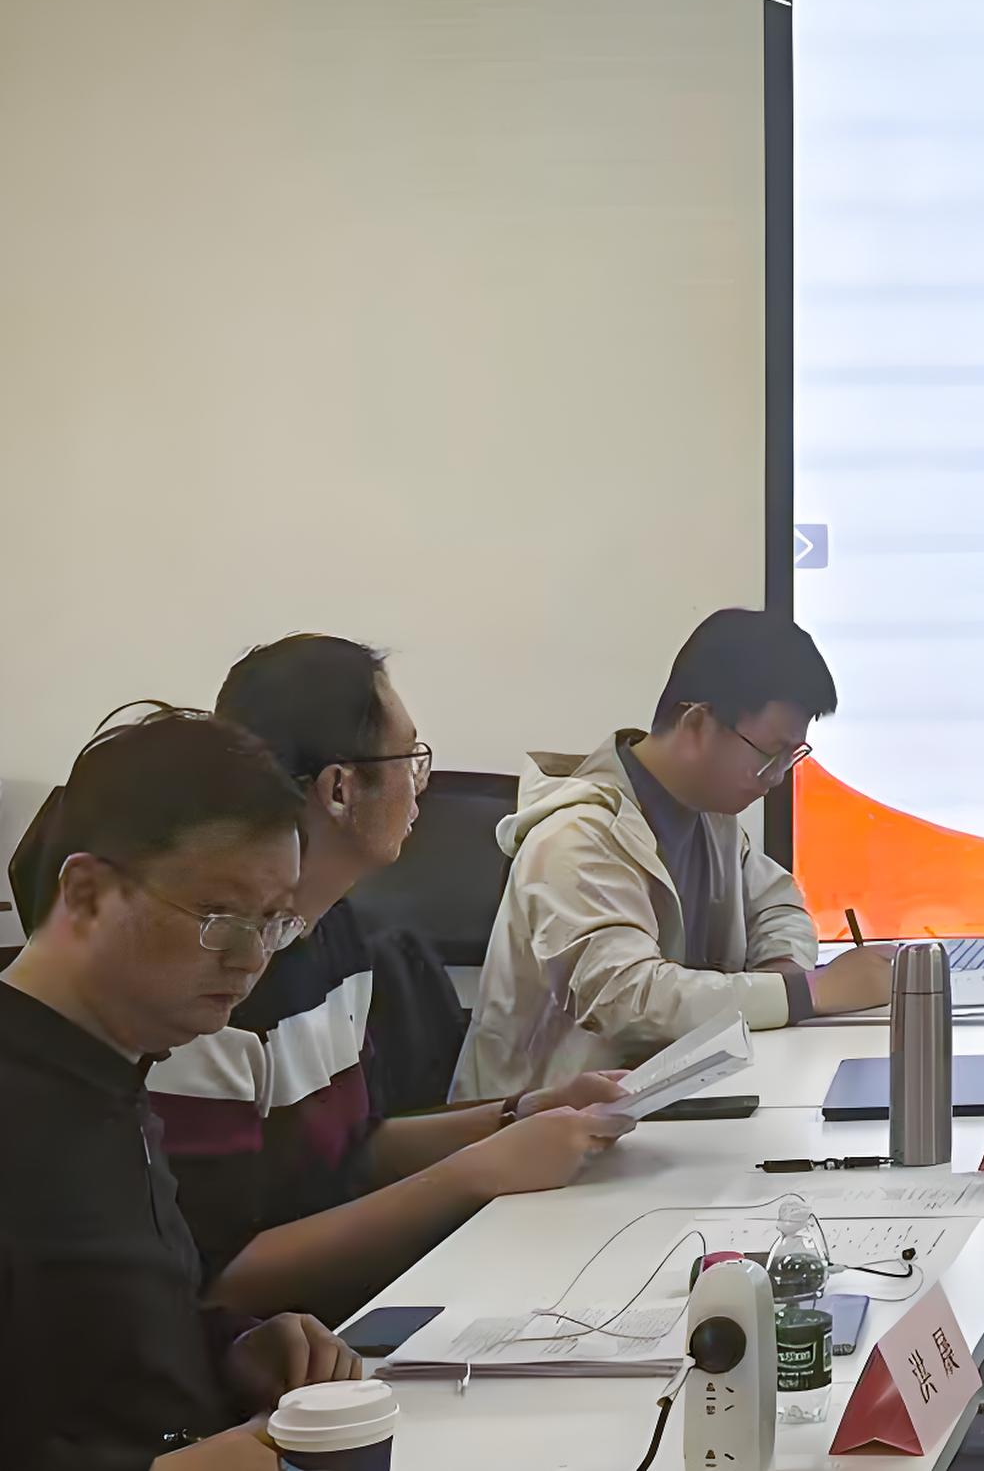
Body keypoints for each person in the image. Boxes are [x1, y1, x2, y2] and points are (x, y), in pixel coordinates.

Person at [145, 636, 631, 1321]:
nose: (420, 782)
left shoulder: (336, 929)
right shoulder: (216, 980)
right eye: (409, 757)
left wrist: (524, 1112)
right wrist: (476, 1173)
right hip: (286, 1344)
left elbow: (357, 1149)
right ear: (340, 789)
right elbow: (221, 1280)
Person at [0, 707, 363, 1471]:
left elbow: (92, 1344)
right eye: (218, 915)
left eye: (274, 921)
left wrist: (230, 1348)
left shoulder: (118, 1067)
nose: (250, 958)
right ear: (87, 893)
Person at [457, 608, 893, 1098]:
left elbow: (777, 904)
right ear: (697, 723)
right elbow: (628, 999)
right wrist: (810, 992)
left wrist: (782, 969)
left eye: (791, 757)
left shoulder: (709, 816)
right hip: (539, 1124)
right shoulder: (574, 836)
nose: (776, 777)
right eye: (770, 753)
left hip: (662, 1099)